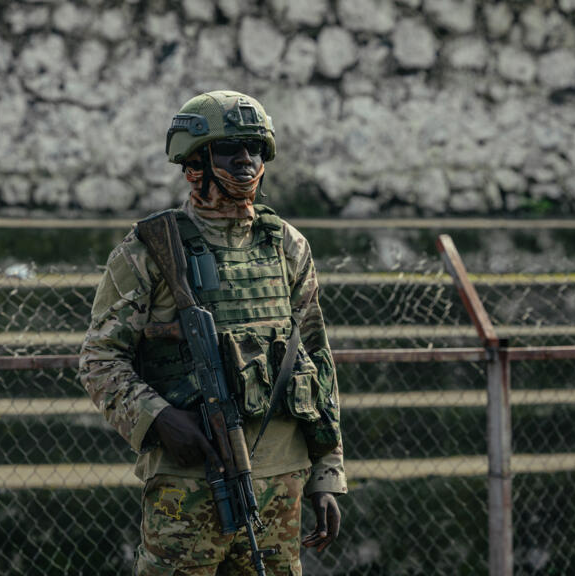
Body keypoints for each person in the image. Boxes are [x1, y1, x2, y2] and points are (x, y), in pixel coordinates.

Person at [79, 90, 346, 575]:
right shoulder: (150, 251)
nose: (245, 160)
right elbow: (100, 360)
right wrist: (159, 418)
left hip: (281, 482)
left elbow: (316, 359)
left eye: (255, 148)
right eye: (228, 149)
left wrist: (326, 474)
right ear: (194, 162)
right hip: (188, 483)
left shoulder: (286, 245)